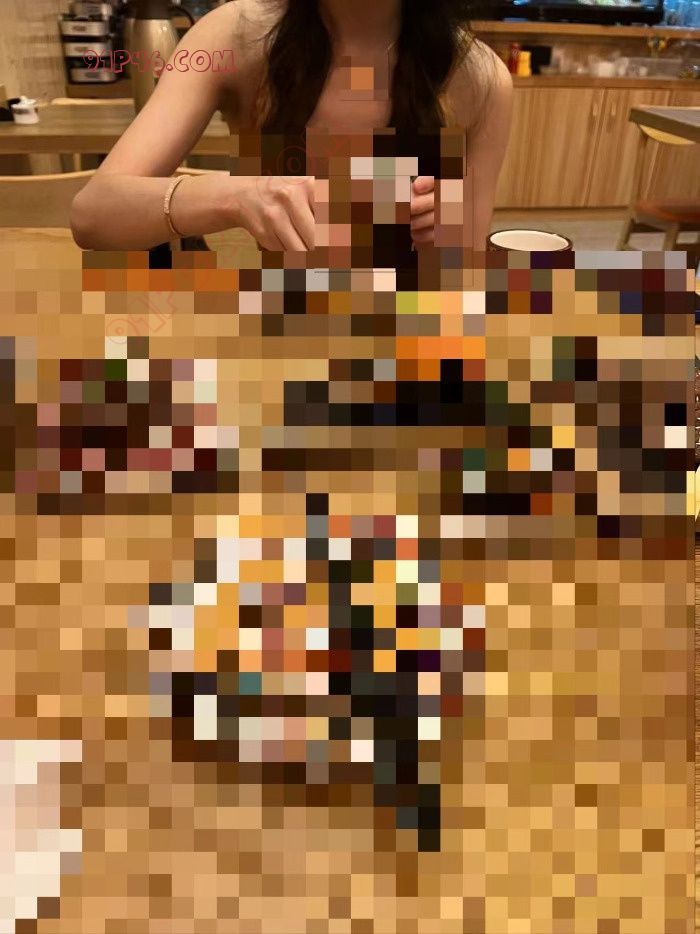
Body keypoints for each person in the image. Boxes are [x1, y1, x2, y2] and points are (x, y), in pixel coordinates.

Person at [70, 0, 512, 253]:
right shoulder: (231, 36)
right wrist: (240, 196)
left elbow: (463, 266)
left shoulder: (482, 78)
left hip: (401, 337)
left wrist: (446, 231)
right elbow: (93, 213)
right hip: (275, 335)